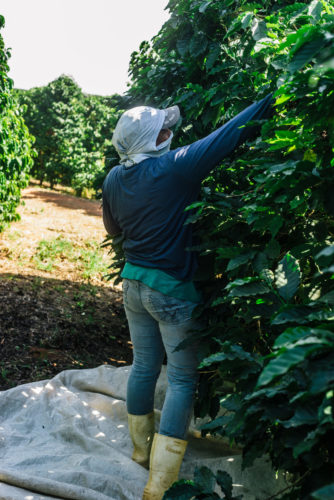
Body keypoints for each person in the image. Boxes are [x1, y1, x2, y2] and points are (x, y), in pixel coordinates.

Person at [102, 94, 275, 500]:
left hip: (133, 286)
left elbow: (113, 231)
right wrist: (270, 98)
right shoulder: (175, 168)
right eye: (162, 129)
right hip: (172, 292)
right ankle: (160, 485)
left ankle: (141, 452)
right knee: (180, 380)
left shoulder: (114, 177)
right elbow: (227, 135)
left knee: (143, 365)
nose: (170, 132)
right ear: (150, 141)